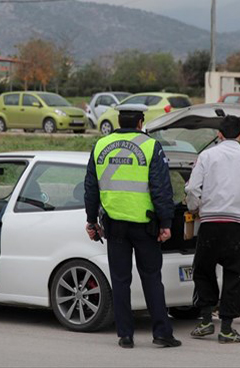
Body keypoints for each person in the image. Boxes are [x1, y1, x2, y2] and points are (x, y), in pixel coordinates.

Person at [83, 104, 181, 349]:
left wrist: (91, 221)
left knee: (120, 281)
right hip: (145, 226)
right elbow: (161, 189)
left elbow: (90, 188)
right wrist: (166, 222)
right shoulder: (149, 146)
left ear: (119, 120)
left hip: (114, 226)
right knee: (151, 279)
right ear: (140, 122)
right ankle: (161, 334)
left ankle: (125, 335)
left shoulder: (100, 145)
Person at [185, 115, 240, 343]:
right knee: (236, 274)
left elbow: (192, 188)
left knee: (203, 270)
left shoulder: (207, 155)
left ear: (218, 134)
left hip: (210, 223)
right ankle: (227, 328)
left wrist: (194, 207)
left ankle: (206, 320)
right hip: (237, 225)